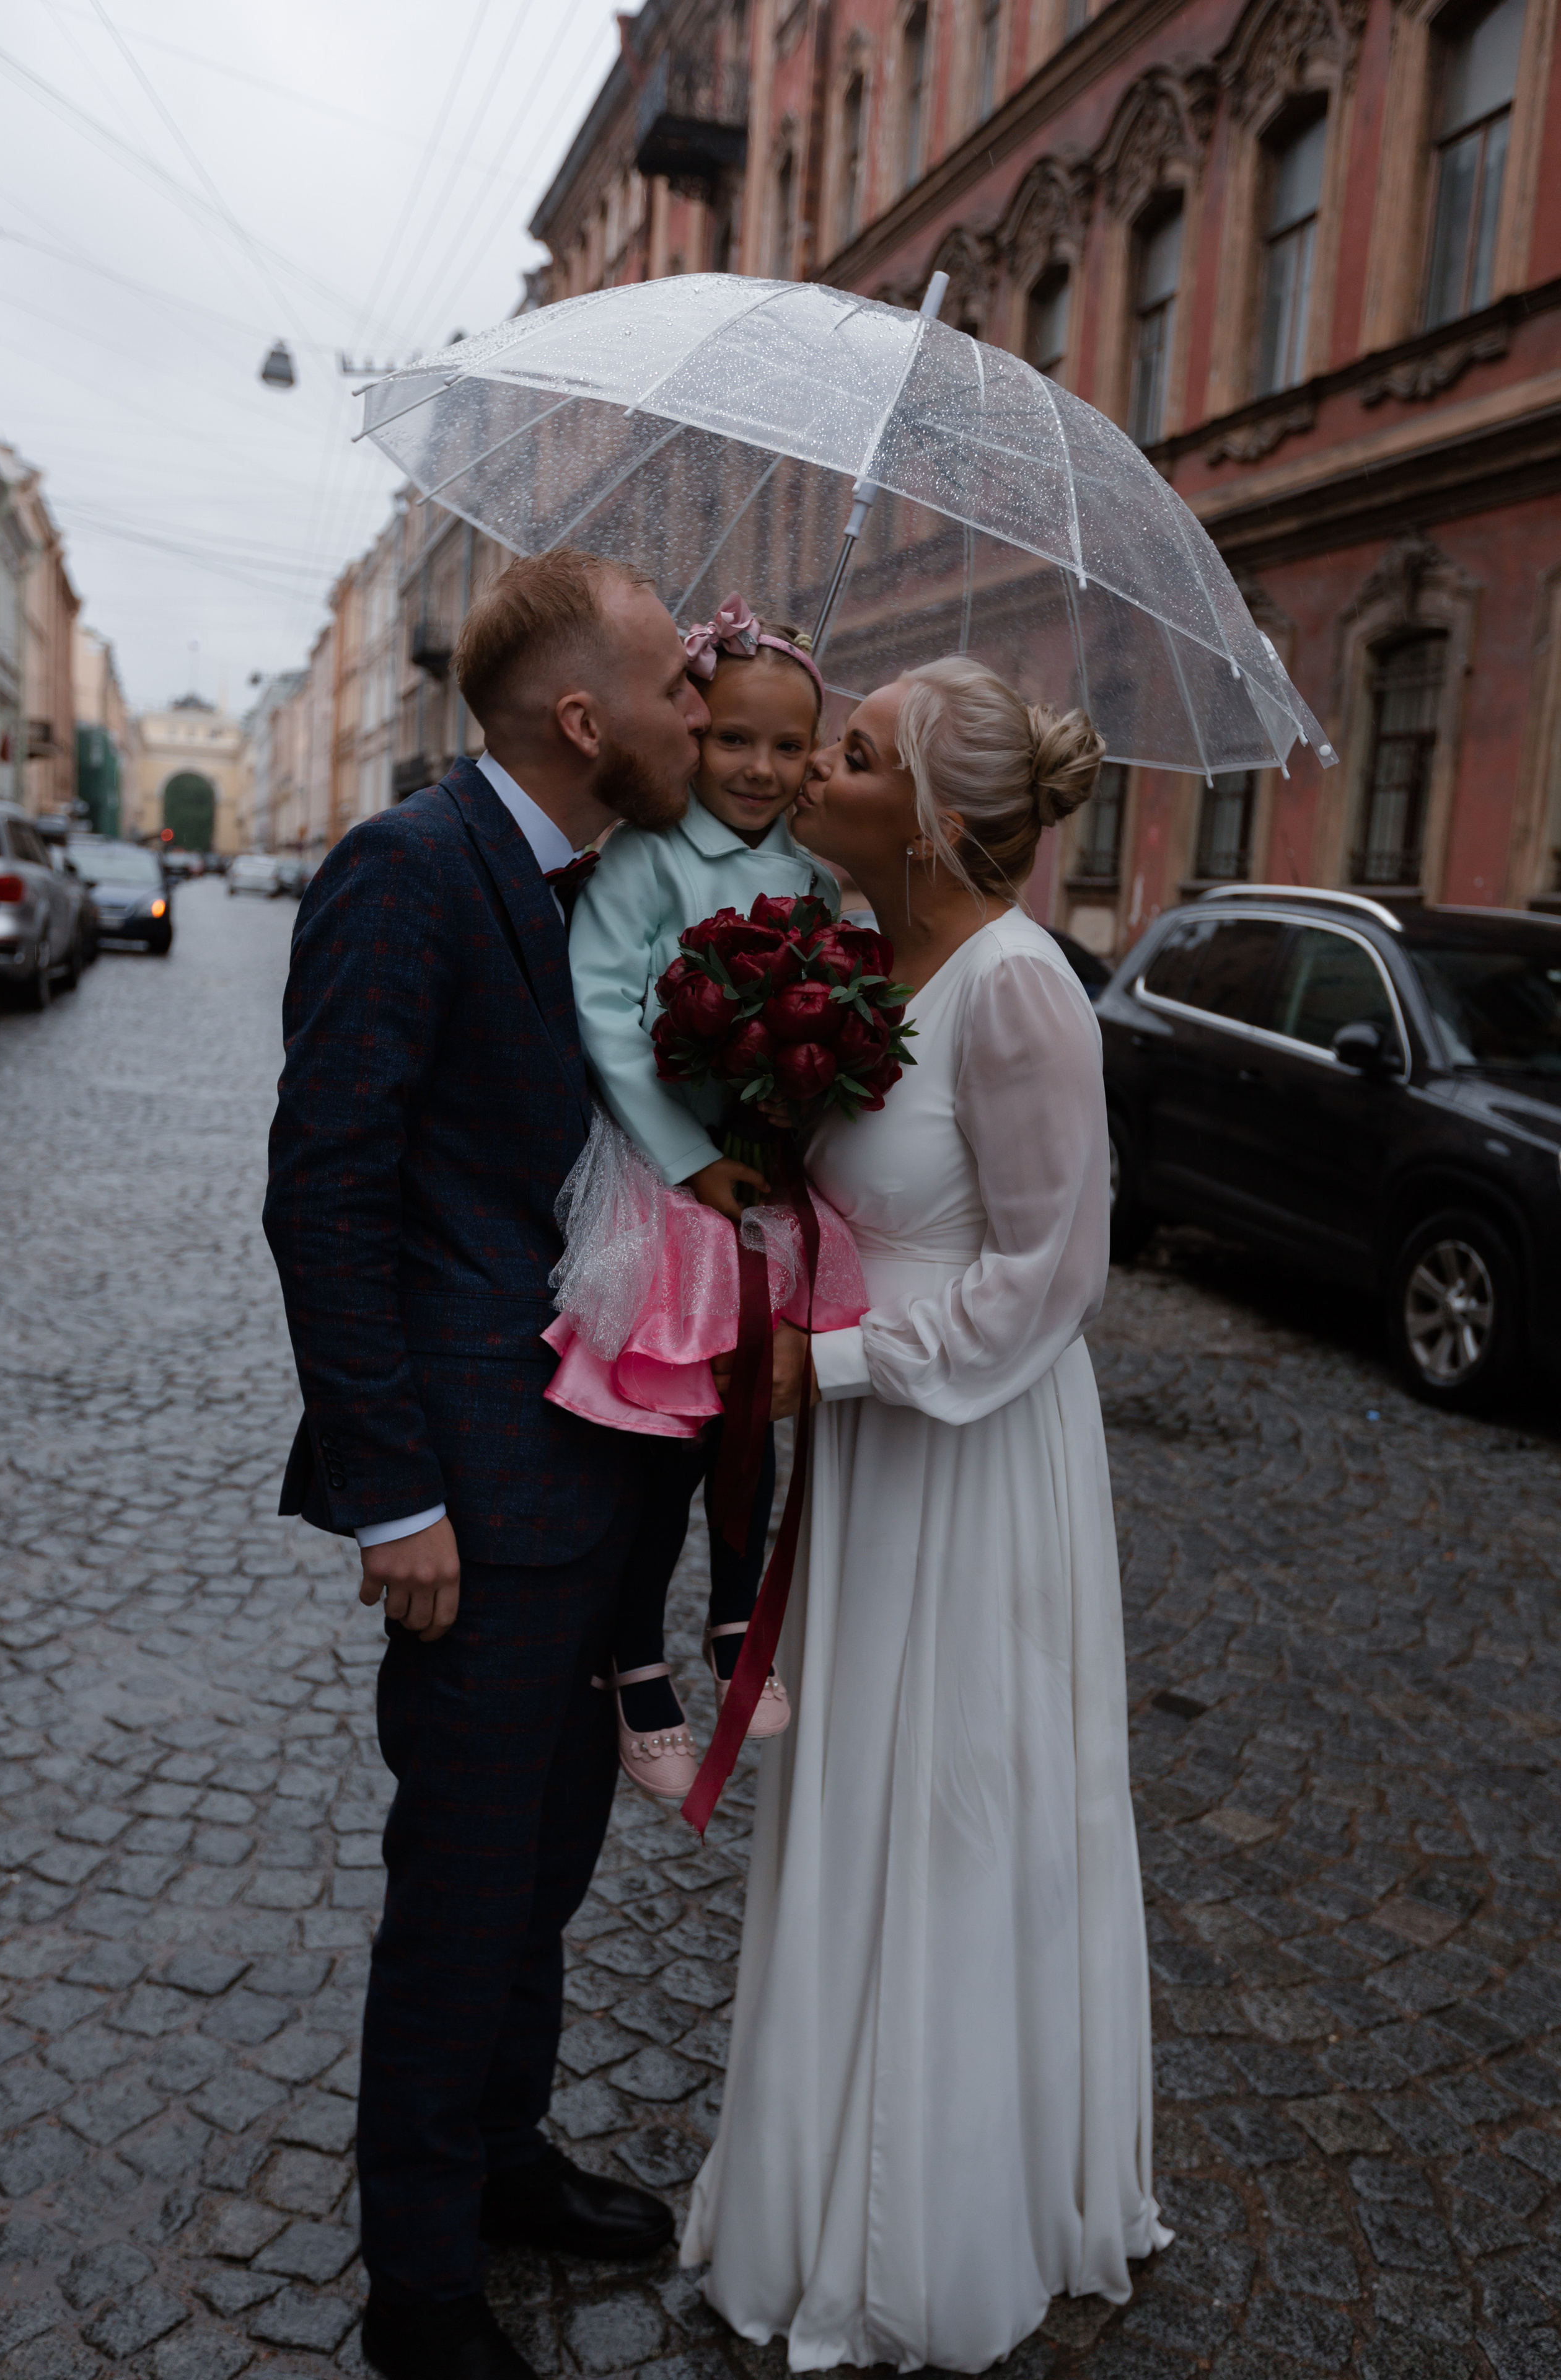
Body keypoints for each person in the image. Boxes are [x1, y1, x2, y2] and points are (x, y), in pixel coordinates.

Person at [682, 656, 1170, 2371]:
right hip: (870, 1447)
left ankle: (942, 2215)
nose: (813, 768)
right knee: (857, 1791)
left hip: (967, 1452)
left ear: (935, 816)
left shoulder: (1019, 989)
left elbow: (1052, 1275)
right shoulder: (856, 954)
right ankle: (817, 2171)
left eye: (854, 752)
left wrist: (836, 1363)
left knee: (955, 1795)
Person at [263, 547, 711, 2380]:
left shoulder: (610, 890)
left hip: (604, 1479)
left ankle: (505, 2154)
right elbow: (326, 1193)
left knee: (543, 1866)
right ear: (584, 720)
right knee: (460, 1892)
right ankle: (423, 2287)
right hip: (471, 1499)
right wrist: (396, 1494)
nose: (704, 709)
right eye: (678, 685)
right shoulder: (410, 868)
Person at [565, 595, 840, 1798]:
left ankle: (738, 1616)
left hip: (760, 1183)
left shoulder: (814, 878)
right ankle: (632, 1652)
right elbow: (601, 1007)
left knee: (752, 1410)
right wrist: (689, 1156)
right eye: (734, 739)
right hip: (662, 1183)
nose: (759, 768)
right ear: (693, 731)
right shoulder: (648, 854)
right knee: (660, 1447)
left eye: (787, 746)